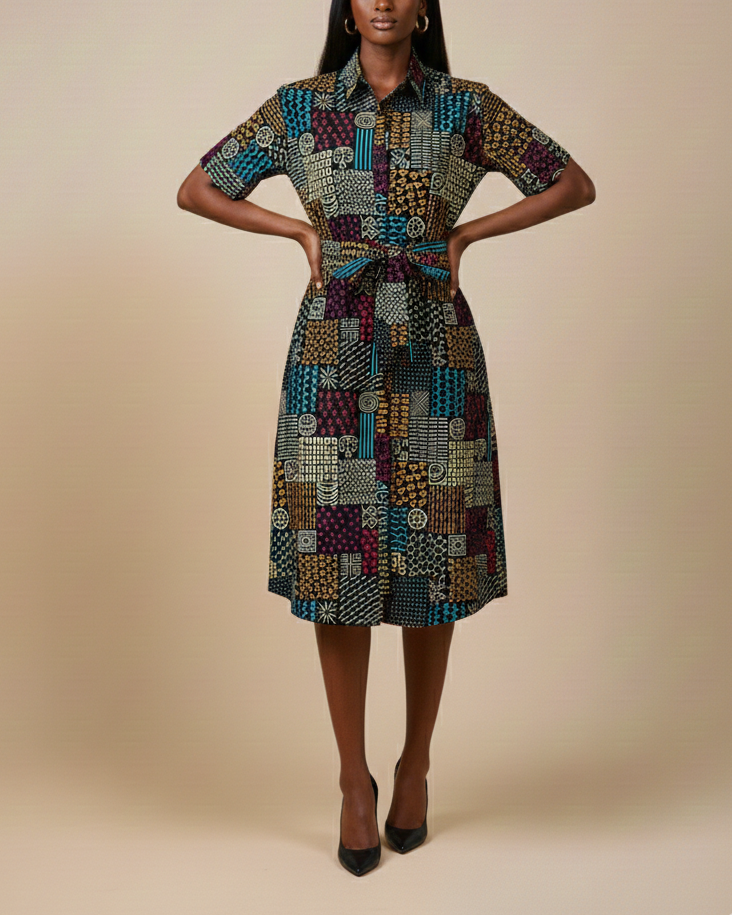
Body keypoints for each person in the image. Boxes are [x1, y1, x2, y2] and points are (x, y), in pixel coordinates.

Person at [178, 0, 595, 877]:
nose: (383, 1)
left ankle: (414, 766)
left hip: (435, 351)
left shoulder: (464, 106)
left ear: (424, 9)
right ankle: (351, 782)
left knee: (432, 560)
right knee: (338, 564)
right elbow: (198, 188)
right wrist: (298, 229)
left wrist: (467, 233)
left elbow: (571, 182)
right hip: (335, 352)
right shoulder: (301, 107)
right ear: (346, 6)